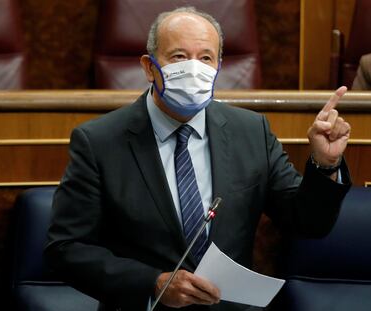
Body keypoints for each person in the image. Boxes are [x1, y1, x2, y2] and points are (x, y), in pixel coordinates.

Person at [45, 6, 351, 311]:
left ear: (218, 66)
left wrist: (325, 165)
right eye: (178, 56)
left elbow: (308, 223)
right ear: (149, 67)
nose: (194, 68)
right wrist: (153, 282)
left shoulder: (251, 131)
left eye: (205, 58)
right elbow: (65, 249)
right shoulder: (99, 141)